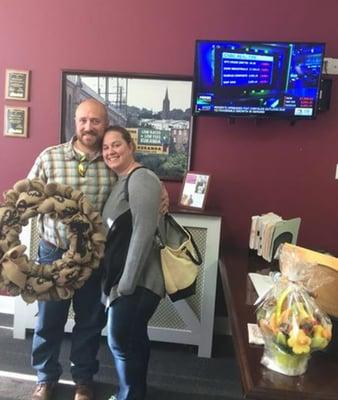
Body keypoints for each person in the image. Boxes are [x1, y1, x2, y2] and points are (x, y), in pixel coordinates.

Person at [28, 99, 167, 400]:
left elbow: (140, 183)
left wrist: (160, 193)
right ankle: (45, 377)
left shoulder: (111, 165)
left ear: (105, 124)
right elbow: (26, 198)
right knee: (48, 320)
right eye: (83, 121)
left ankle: (83, 379)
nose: (89, 127)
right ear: (75, 123)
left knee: (89, 322)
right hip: (53, 253)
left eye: (96, 121)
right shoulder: (49, 158)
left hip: (94, 257)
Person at [101, 125, 165, 400]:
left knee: (120, 340)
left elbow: (143, 231)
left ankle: (130, 395)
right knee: (133, 338)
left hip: (139, 280)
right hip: (126, 278)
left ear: (130, 146)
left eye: (116, 145)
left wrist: (125, 284)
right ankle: (135, 393)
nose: (110, 151)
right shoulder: (122, 181)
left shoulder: (141, 178)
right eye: (105, 148)